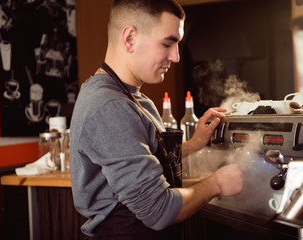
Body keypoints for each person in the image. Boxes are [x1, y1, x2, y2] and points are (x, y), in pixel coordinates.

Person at [70, 0, 243, 239]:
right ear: (130, 38)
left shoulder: (132, 97)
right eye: (168, 43)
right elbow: (158, 210)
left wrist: (195, 142)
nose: (176, 56)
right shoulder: (109, 105)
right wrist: (217, 184)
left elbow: (147, 154)